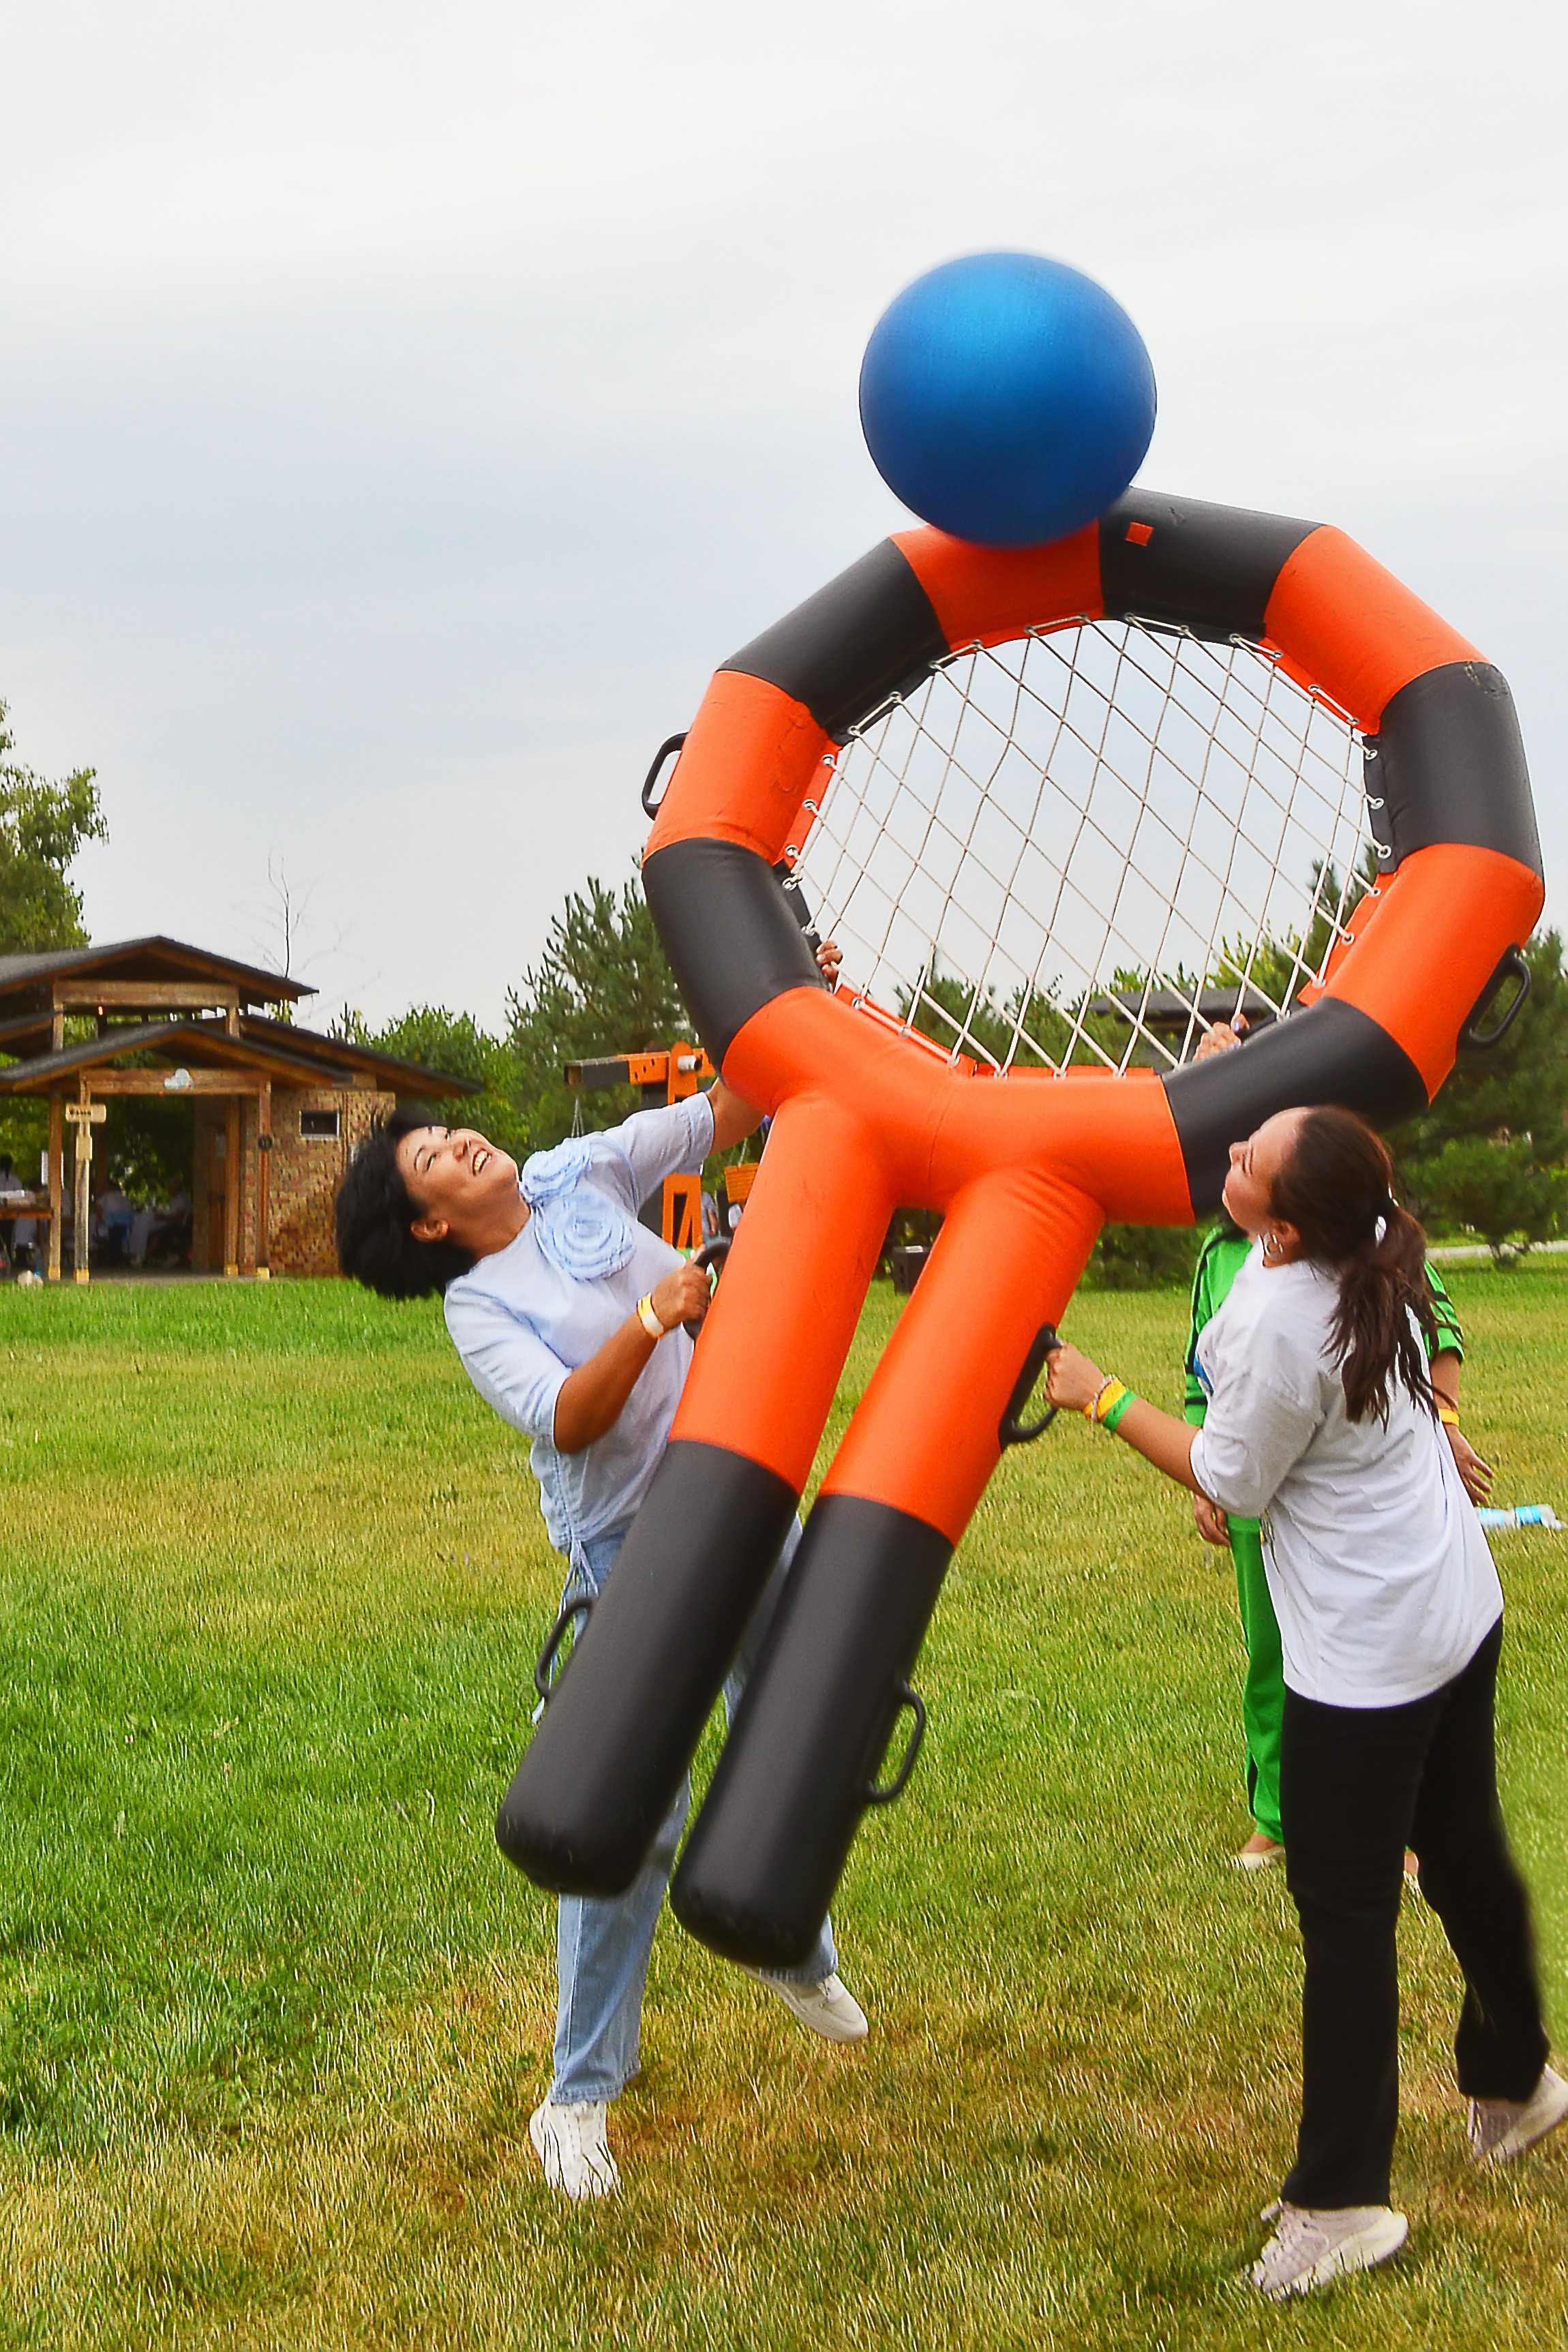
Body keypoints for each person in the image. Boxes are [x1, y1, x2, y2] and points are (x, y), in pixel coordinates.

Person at [1044, 1104, 1565, 2300]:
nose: (1228, 1152)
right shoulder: (1382, 1240)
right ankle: (1518, 2084)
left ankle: (1340, 2206)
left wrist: (1101, 1395)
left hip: (1369, 1665)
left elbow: (1229, 1478)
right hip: (1454, 1611)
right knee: (1470, 1853)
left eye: (1249, 1158)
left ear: (1280, 1222)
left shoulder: (1276, 1315)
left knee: (1346, 1925)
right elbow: (1270, 1459)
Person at [334, 1049, 868, 2203]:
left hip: (740, 1483)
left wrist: (777, 1024)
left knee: (789, 1737)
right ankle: (574, 2099)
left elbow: (722, 1114)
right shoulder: (481, 1307)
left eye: (446, 1136)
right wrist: (651, 1311)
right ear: (427, 1225)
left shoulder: (575, 1172)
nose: (461, 1145)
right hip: (632, 1552)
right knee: (633, 1820)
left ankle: (787, 1943)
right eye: (433, 1159)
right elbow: (567, 1419)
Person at [1186, 1019, 1492, 1870]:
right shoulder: (1227, 1252)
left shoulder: (1357, 1230)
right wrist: (1209, 1474)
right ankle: (1274, 1813)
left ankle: (1393, 1827)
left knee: (1376, 1658)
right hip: (1260, 1484)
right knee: (1272, 1649)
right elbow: (1203, 1375)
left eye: (1247, 1140)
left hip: (1358, 1524)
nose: (1234, 1147)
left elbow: (1431, 1327)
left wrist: (1446, 1426)